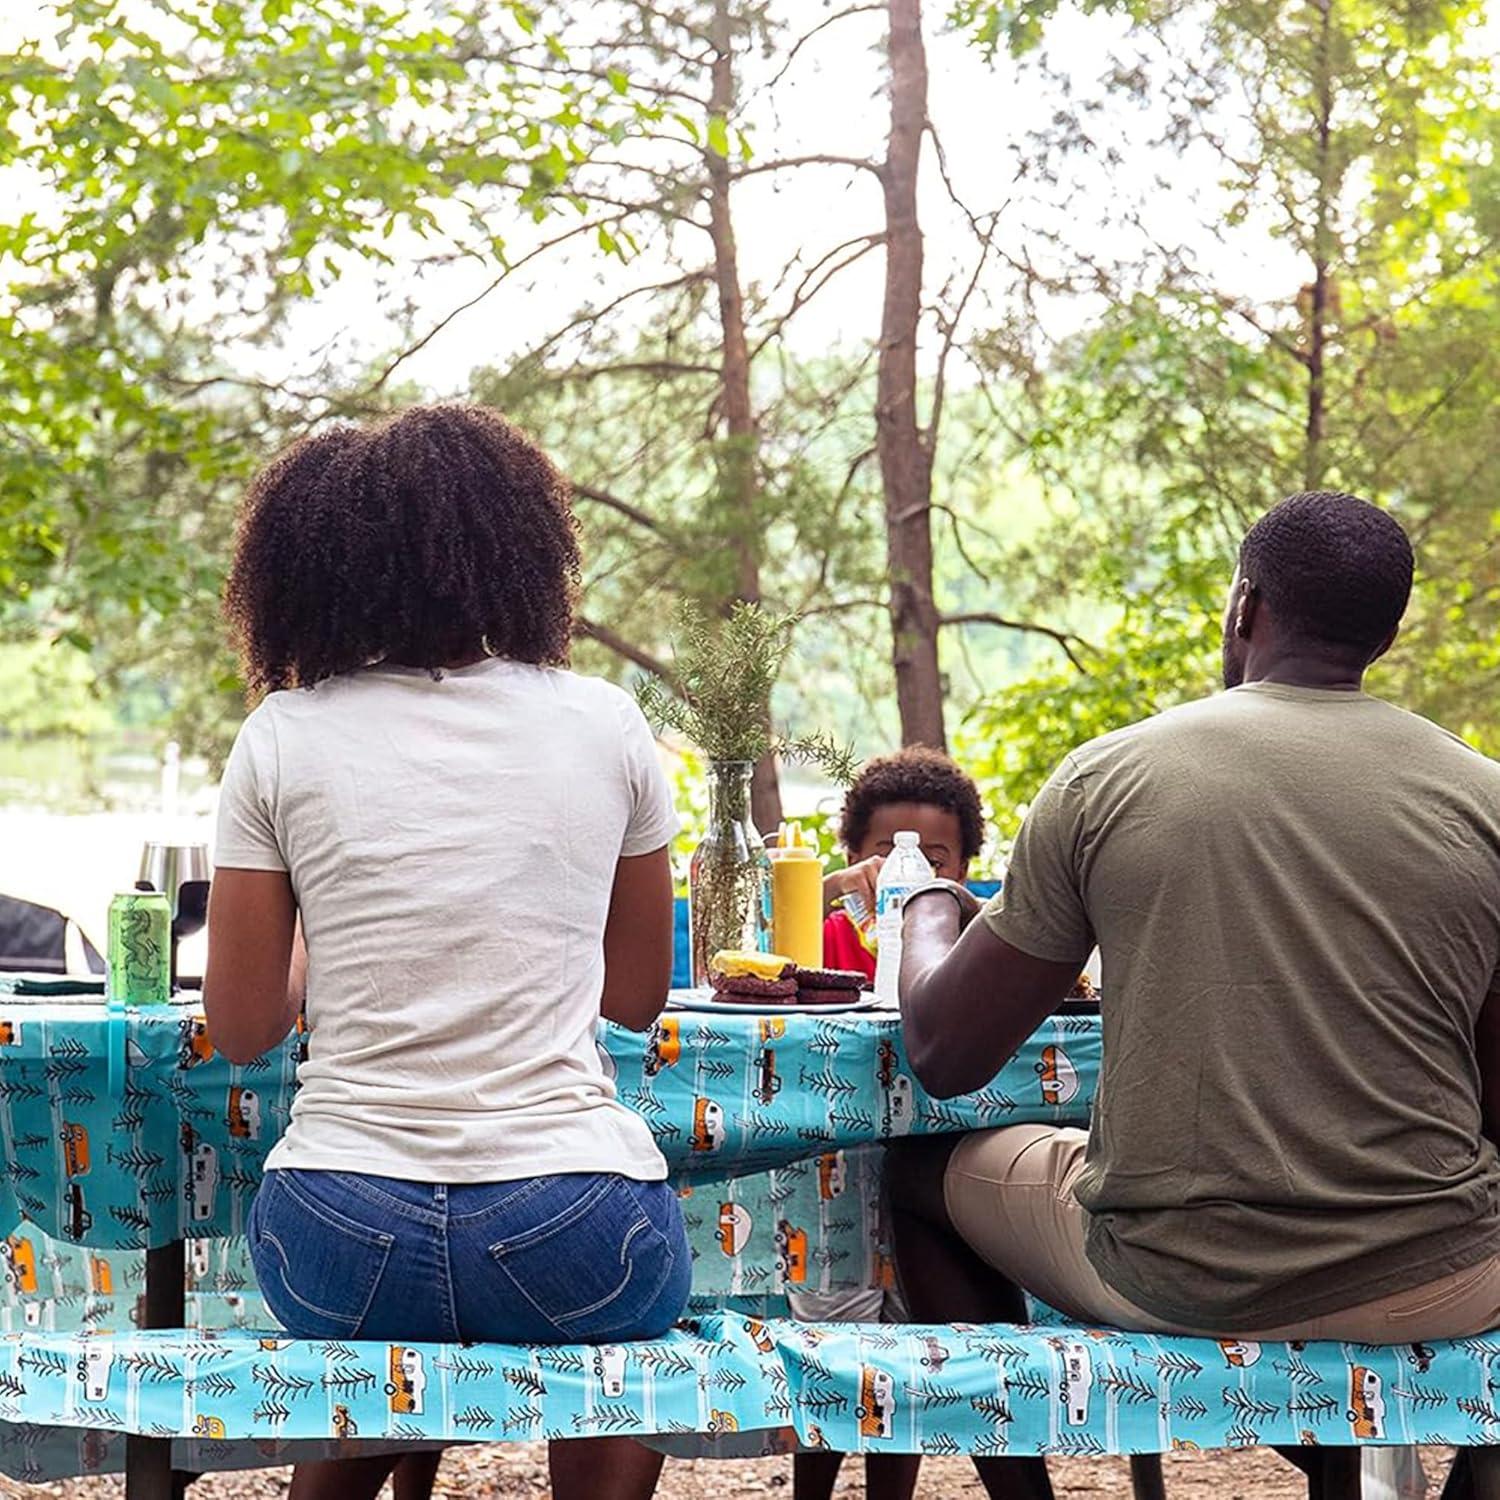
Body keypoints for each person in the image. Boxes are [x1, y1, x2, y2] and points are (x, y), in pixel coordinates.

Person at [887, 491, 1500, 1500]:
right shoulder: (1479, 798)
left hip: (1175, 1274)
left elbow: (946, 1053)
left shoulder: (1113, 778)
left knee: (917, 1173)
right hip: (1436, 1275)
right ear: (1387, 634)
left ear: (1245, 608)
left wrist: (925, 915)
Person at [203, 404, 691, 1500]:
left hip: (337, 1227)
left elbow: (242, 1030)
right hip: (573, 1220)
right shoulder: (607, 723)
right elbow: (635, 994)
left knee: (379, 1343)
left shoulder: (283, 734)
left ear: (311, 568)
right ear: (523, 551)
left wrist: (327, 943)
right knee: (617, 1357)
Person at [794, 748, 985, 1500]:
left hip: (928, 1167)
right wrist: (835, 890)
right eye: (882, 853)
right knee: (832, 1341)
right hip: (829, 1169)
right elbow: (765, 943)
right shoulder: (826, 933)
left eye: (938, 858)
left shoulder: (971, 940)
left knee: (907, 1339)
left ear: (967, 865)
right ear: (853, 856)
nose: (907, 871)